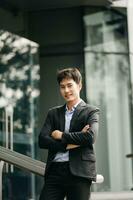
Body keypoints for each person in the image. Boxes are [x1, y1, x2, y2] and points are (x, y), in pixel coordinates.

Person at [38, 67, 100, 200]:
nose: (66, 90)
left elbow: (90, 137)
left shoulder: (91, 111)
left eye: (70, 85)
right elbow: (42, 140)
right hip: (55, 171)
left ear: (79, 85)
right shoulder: (53, 113)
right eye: (62, 87)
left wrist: (61, 135)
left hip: (79, 172)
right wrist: (68, 145)